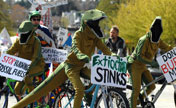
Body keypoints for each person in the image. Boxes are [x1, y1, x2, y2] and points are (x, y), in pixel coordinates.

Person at [12, 9, 113, 108]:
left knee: (96, 77)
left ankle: (88, 95)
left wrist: (113, 56)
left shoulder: (95, 38)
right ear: (86, 24)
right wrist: (80, 55)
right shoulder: (78, 34)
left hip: (83, 65)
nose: (97, 26)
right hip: (71, 66)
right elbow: (75, 47)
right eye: (94, 23)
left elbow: (105, 49)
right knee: (79, 89)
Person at [127, 16, 173, 108]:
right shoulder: (144, 40)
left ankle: (136, 102)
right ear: (151, 30)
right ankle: (132, 104)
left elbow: (167, 48)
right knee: (136, 89)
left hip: (143, 65)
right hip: (134, 64)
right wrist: (153, 63)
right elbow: (139, 57)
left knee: (152, 86)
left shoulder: (158, 41)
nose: (156, 32)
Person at [6, 20, 45, 97]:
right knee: (17, 90)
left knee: (27, 76)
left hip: (37, 65)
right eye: (22, 33)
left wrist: (27, 67)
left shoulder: (36, 41)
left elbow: (36, 57)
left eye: (25, 33)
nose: (23, 35)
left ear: (30, 32)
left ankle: (34, 98)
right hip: (24, 68)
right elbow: (10, 51)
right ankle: (25, 102)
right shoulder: (18, 41)